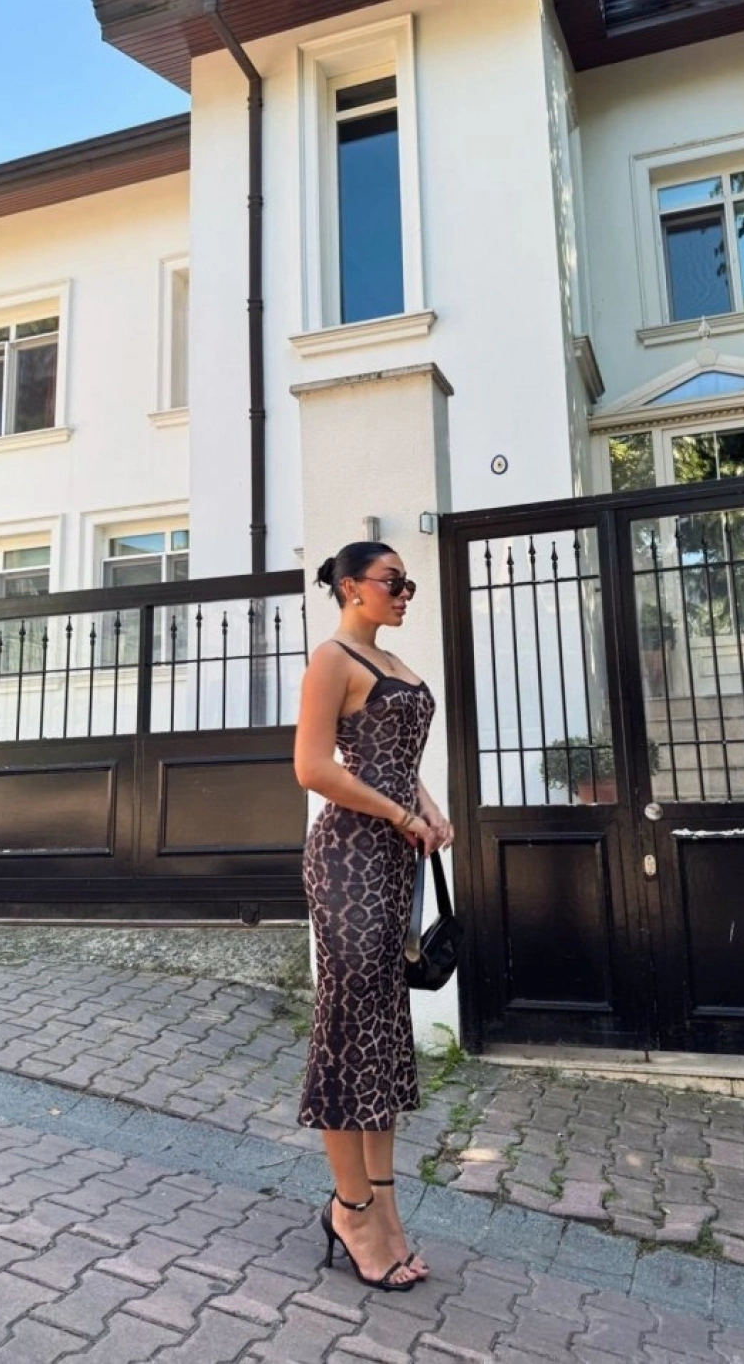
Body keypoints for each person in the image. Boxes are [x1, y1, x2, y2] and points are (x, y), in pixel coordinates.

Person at [294, 541, 454, 1292]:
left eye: (408, 583)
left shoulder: (391, 662)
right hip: (349, 861)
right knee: (348, 1028)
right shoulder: (332, 658)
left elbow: (392, 756)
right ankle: (351, 1210)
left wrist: (427, 806)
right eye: (394, 582)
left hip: (393, 861)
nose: (405, 593)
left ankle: (385, 1208)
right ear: (352, 587)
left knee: (383, 1031)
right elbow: (314, 767)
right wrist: (397, 812)